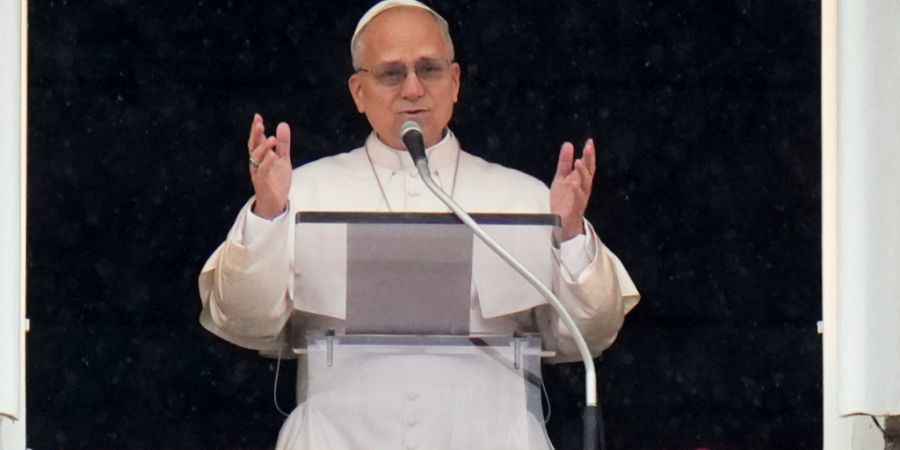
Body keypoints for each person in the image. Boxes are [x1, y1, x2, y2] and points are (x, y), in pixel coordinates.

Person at [198, 1, 639, 448]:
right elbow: (243, 320)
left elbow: (592, 334)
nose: (412, 88)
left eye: (429, 69)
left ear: (455, 82)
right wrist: (269, 216)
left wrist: (571, 236)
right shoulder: (300, 194)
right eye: (391, 73)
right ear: (357, 92)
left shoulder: (526, 199)